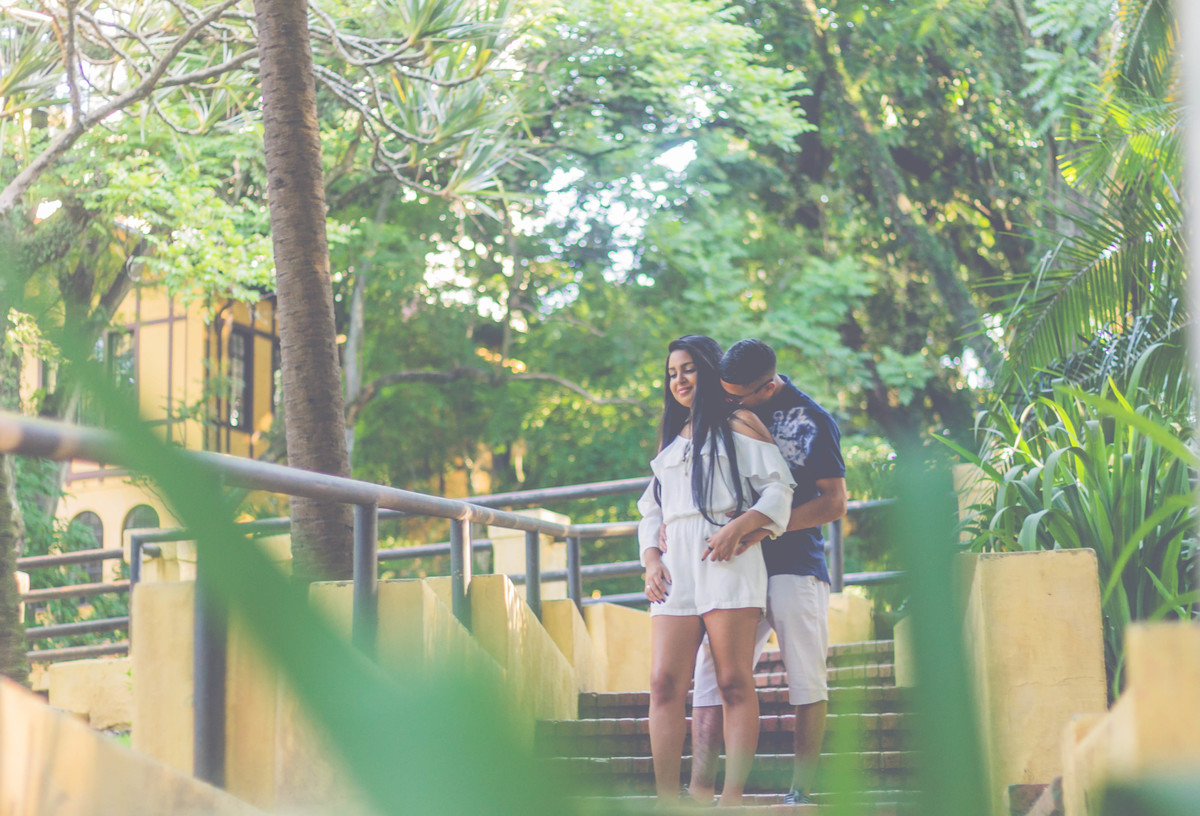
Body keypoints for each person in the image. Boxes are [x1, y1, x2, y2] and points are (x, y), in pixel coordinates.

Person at [685, 339, 848, 806]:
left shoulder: (813, 420)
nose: (728, 401)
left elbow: (835, 502)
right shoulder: (722, 408)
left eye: (737, 396)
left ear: (770, 386)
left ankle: (800, 790)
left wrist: (763, 527)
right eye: (724, 392)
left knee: (806, 676)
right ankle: (700, 789)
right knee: (710, 672)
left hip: (794, 566)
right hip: (735, 568)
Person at [637, 335, 796, 807]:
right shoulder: (673, 435)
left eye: (687, 368)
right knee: (664, 683)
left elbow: (779, 488)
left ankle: (730, 799)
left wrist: (741, 527)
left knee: (732, 681)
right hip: (676, 569)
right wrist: (650, 559)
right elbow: (651, 508)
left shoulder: (738, 422)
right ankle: (668, 801)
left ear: (708, 369)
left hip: (728, 561)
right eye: (671, 373)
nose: (679, 380)